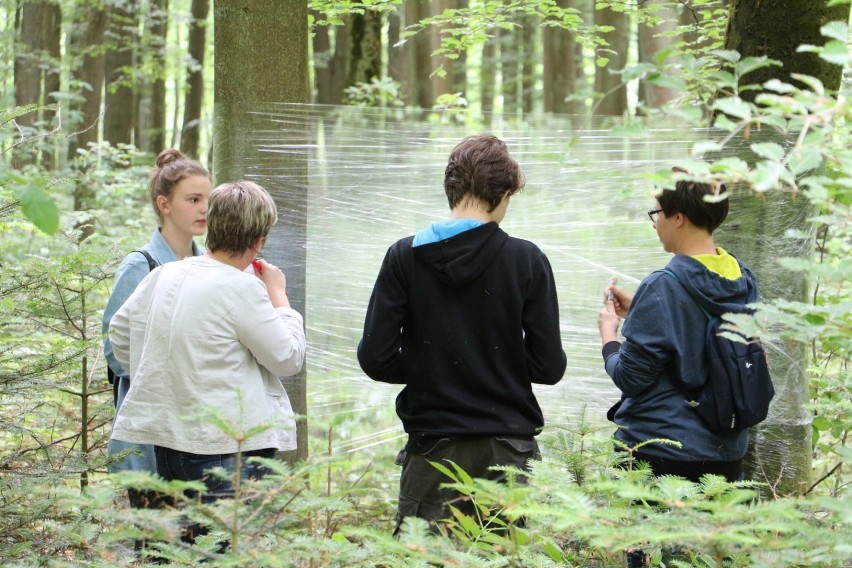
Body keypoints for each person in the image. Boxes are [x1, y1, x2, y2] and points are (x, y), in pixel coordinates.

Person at [357, 134, 567, 534]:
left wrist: (431, 366)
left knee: (424, 560)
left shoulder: (404, 256)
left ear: (451, 189)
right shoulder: (527, 260)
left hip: (432, 446)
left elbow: (375, 357)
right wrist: (496, 362)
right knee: (502, 559)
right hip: (508, 448)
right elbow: (549, 366)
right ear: (504, 193)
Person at [109, 180, 306, 543]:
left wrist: (157, 373)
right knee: (217, 550)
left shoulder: (163, 274)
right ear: (259, 240)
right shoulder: (243, 288)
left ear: (212, 225)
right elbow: (288, 357)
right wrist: (279, 296)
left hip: (166, 441)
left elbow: (120, 336)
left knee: (172, 550)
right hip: (226, 448)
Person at [597, 170, 761, 482]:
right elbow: (707, 337)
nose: (655, 222)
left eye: (656, 213)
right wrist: (640, 310)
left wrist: (608, 336)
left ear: (678, 218)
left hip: (661, 453)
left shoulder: (663, 285)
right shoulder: (742, 278)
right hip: (727, 455)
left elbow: (630, 377)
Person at [103, 148, 212, 507]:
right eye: (194, 199)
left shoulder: (210, 266)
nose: (204, 209)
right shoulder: (141, 265)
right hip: (152, 433)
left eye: (209, 200)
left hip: (203, 433)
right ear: (164, 204)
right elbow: (114, 353)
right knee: (155, 547)